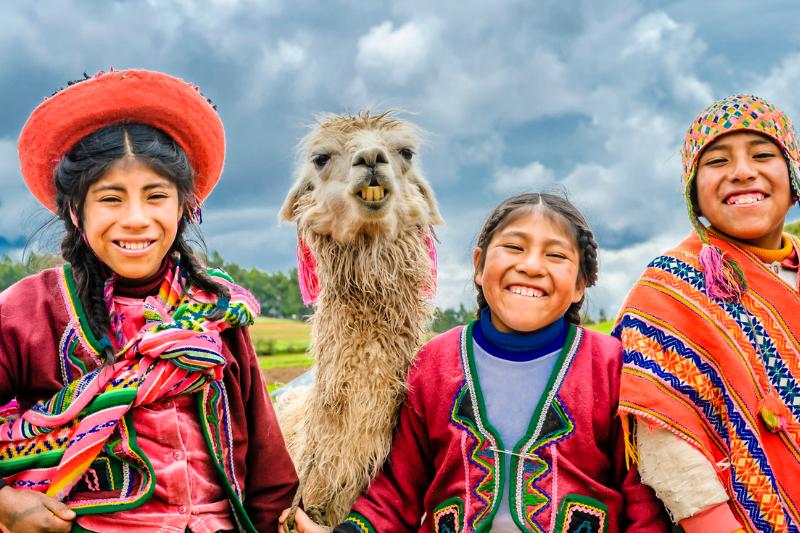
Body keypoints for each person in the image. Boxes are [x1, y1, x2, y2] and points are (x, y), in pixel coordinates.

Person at [0, 69, 298, 533]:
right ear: (76, 211)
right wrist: (4, 505)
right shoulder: (30, 311)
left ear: (184, 206)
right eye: (111, 199)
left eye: (156, 196)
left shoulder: (215, 312)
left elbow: (266, 461)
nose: (136, 219)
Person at [282, 193, 668, 532]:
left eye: (555, 255)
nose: (532, 266)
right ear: (480, 266)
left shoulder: (610, 366)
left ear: (581, 284)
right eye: (514, 248)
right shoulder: (435, 364)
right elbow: (398, 491)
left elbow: (640, 497)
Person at [614, 94, 800, 532]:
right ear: (694, 193)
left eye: (762, 155)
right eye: (717, 161)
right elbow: (665, 437)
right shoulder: (668, 291)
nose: (742, 171)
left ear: (792, 180)